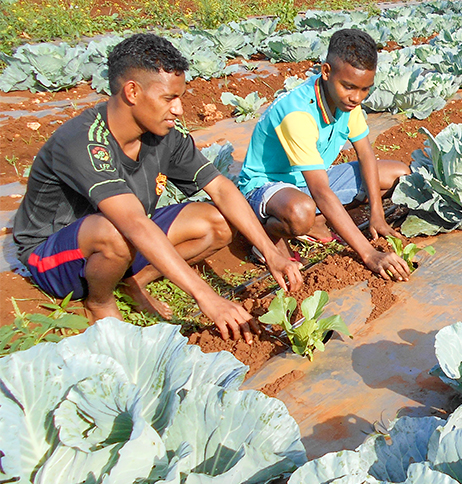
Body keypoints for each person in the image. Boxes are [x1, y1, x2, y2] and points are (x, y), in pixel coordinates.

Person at [12, 33, 303, 343]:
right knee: (115, 232)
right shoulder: (84, 142)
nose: (178, 109)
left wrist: (271, 253)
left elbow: (220, 188)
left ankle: (132, 281)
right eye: (168, 98)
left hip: (125, 232)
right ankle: (99, 302)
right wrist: (207, 298)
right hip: (55, 255)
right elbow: (134, 224)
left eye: (179, 97)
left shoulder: (164, 135)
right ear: (132, 91)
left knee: (218, 223)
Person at [238, 29, 412, 282]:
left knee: (397, 173)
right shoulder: (298, 113)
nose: (357, 97)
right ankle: (267, 235)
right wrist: (368, 253)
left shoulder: (346, 100)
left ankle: (316, 221)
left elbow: (365, 153)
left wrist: (377, 213)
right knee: (300, 211)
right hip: (269, 186)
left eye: (365, 90)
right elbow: (320, 191)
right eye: (349, 87)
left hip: (314, 176)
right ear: (326, 72)